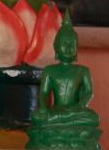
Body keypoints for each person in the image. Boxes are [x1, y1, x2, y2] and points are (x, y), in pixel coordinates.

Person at [26, 12, 101, 149]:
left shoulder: (83, 71)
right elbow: (44, 93)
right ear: (56, 48)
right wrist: (43, 108)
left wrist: (81, 105)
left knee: (93, 118)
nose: (68, 48)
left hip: (76, 111)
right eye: (64, 44)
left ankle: (57, 131)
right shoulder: (50, 71)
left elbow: (89, 92)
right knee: (38, 117)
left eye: (72, 44)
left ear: (77, 48)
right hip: (56, 112)